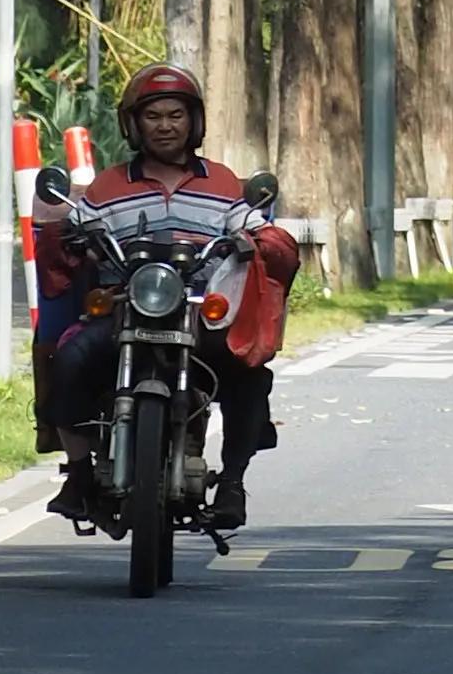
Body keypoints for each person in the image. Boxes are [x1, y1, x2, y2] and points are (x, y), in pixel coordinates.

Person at [36, 63, 298, 533]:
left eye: (175, 115)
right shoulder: (108, 185)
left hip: (199, 314)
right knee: (69, 359)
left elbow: (252, 227)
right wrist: (67, 238)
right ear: (134, 124)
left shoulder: (223, 183)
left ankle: (233, 482)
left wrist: (265, 240)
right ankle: (78, 475)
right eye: (153, 116)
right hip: (124, 309)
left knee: (250, 374)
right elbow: (76, 230)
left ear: (193, 121)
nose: (164, 126)